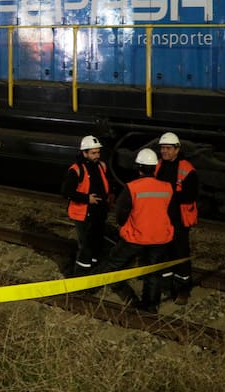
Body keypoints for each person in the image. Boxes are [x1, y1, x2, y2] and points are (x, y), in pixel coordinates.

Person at [99, 148, 173, 313]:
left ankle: (90, 289)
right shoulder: (167, 187)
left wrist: (126, 225)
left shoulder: (132, 188)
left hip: (136, 237)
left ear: (138, 167)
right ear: (155, 168)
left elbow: (121, 213)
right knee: (153, 272)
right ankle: (151, 306)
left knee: (114, 262)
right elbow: (170, 211)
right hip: (160, 237)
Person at [155, 131, 199, 304]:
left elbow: (190, 195)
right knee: (164, 254)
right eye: (162, 148)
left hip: (179, 220)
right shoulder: (158, 165)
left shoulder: (187, 169)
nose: (164, 151)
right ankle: (167, 287)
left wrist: (168, 195)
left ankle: (183, 290)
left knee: (180, 254)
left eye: (167, 148)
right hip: (162, 219)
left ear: (177, 149)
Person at [60, 135, 114, 276]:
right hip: (83, 214)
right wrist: (86, 198)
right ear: (84, 153)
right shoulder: (76, 170)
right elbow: (66, 192)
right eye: (93, 153)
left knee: (97, 243)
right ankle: (80, 275)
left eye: (98, 152)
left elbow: (106, 184)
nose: (97, 155)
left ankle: (93, 268)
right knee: (86, 247)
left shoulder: (101, 166)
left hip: (98, 212)